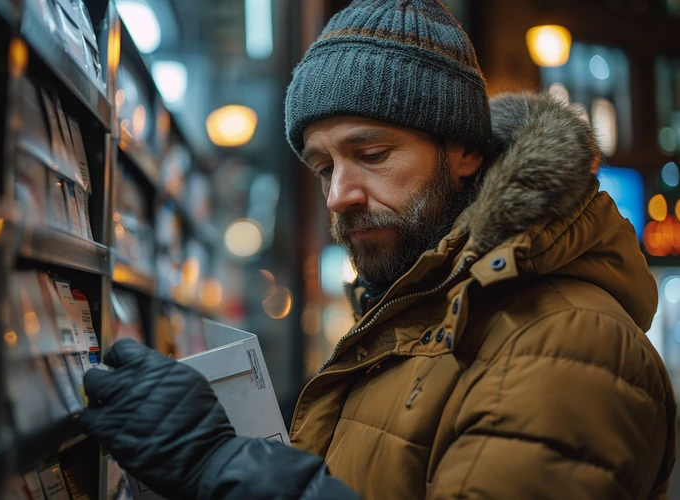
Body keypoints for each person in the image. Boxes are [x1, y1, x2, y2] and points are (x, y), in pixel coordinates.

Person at [80, 1, 677, 498]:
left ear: (464, 151)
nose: (339, 195)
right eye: (322, 167)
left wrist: (216, 467)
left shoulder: (564, 342)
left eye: (371, 155)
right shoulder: (407, 322)